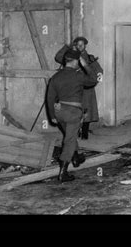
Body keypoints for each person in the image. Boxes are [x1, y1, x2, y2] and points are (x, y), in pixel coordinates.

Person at [46, 49, 98, 182]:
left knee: (70, 135)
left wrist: (52, 115)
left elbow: (50, 97)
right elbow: (93, 80)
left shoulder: (55, 77)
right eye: (78, 62)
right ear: (75, 61)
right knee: (69, 141)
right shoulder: (78, 75)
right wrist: (85, 64)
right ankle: (63, 173)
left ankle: (76, 157)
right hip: (73, 112)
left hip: (59, 112)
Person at [55, 37, 103, 140]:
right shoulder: (71, 57)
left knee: (87, 112)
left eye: (82, 44)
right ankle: (74, 133)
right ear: (75, 45)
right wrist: (66, 46)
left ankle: (85, 134)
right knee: (74, 110)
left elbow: (99, 71)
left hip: (87, 89)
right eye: (78, 44)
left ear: (85, 46)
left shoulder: (90, 58)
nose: (80, 46)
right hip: (73, 89)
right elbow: (58, 57)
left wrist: (94, 81)